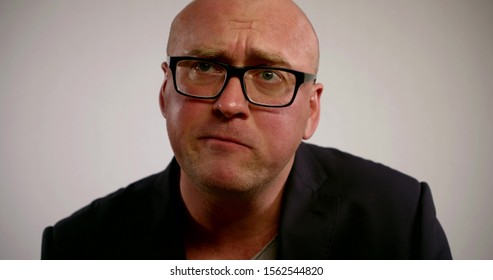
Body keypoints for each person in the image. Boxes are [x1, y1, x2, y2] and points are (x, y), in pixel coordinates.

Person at [41, 0, 451, 260]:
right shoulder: (77, 248)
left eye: (269, 74)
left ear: (311, 109)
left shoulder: (400, 222)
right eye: (203, 67)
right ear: (166, 91)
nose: (230, 104)